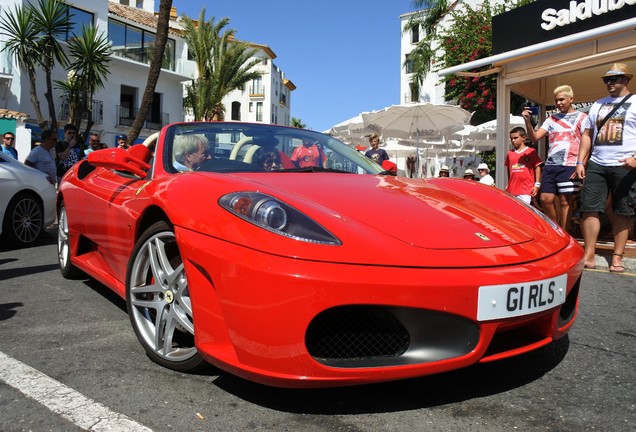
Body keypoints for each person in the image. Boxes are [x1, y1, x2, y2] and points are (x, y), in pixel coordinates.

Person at [575, 63, 636, 273]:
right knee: (589, 207)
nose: (609, 83)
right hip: (597, 163)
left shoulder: (635, 102)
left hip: (625, 165)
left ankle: (617, 257)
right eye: (606, 80)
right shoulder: (597, 105)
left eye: (614, 79)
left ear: (626, 80)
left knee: (622, 210)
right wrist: (580, 161)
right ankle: (589, 254)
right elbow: (587, 135)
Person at [523, 85, 587, 231]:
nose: (558, 103)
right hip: (551, 165)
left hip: (570, 164)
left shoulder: (582, 117)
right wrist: (527, 121)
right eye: (556, 100)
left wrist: (581, 164)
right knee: (545, 199)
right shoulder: (551, 119)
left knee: (566, 202)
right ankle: (555, 229)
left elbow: (587, 142)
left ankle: (564, 234)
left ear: (571, 99)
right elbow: (534, 137)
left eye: (561, 100)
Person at [505, 127, 542, 205]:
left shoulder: (531, 151)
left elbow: (537, 167)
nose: (513, 140)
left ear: (523, 138)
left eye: (515, 138)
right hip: (512, 190)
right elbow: (509, 169)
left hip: (526, 190)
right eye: (511, 138)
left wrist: (537, 184)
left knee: (524, 211)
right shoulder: (510, 153)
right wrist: (509, 183)